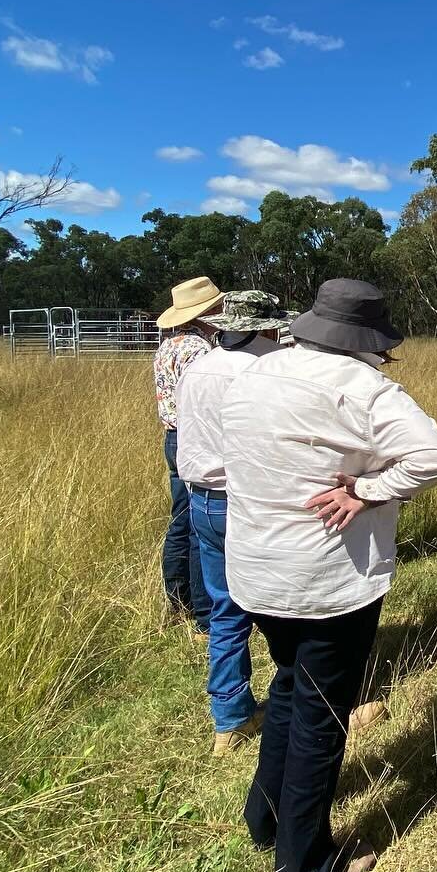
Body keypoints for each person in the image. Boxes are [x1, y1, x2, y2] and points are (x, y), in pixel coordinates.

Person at [222, 279, 437, 872]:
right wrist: (365, 491)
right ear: (369, 340)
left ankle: (266, 817)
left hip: (256, 569)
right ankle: (303, 867)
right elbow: (433, 456)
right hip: (329, 579)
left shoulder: (253, 374)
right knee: (322, 718)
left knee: (291, 686)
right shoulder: (365, 388)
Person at [175, 291, 288, 756]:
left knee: (225, 610)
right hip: (250, 501)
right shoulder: (266, 371)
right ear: (264, 327)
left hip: (202, 501)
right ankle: (310, 700)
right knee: (289, 607)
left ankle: (230, 718)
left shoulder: (198, 368)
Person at [154, 276, 223, 638]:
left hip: (172, 437)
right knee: (200, 522)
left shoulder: (168, 345)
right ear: (208, 311)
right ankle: (204, 611)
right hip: (194, 438)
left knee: (180, 519)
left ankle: (177, 598)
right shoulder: (200, 349)